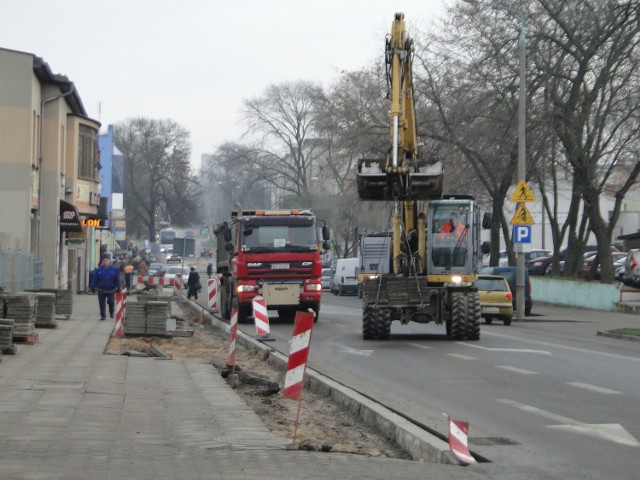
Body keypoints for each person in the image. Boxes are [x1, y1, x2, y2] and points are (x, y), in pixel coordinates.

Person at [89, 255, 121, 320]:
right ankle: (103, 315)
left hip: (111, 289)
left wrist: (118, 286)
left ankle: (111, 312)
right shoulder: (99, 270)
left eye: (107, 260)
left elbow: (117, 278)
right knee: (102, 304)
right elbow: (95, 279)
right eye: (104, 260)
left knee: (111, 302)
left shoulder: (114, 269)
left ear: (109, 261)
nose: (105, 262)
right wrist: (93, 287)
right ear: (102, 262)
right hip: (101, 290)